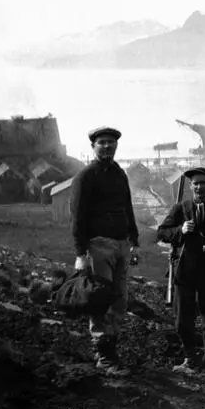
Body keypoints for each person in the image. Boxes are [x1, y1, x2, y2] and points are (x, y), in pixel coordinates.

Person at [70, 126, 140, 376]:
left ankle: (111, 352)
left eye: (111, 142)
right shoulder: (86, 176)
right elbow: (77, 217)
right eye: (102, 142)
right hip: (98, 245)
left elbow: (127, 206)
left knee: (119, 300)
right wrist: (81, 254)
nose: (107, 146)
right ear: (93, 146)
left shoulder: (119, 174)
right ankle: (103, 357)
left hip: (121, 244)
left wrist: (134, 237)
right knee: (100, 301)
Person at [155, 166, 205, 374]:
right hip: (185, 271)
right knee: (183, 320)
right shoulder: (180, 209)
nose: (199, 187)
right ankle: (190, 358)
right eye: (195, 183)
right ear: (191, 186)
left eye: (203, 183)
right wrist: (180, 231)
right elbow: (162, 233)